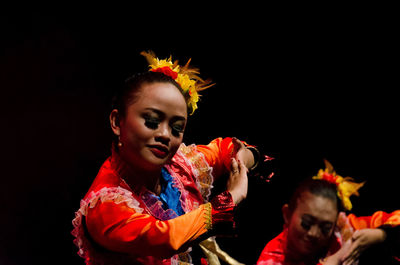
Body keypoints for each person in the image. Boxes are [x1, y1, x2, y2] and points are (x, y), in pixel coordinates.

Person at [72, 51, 260, 265]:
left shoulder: (181, 165)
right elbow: (166, 238)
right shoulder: (106, 206)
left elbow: (227, 149)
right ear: (117, 122)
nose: (164, 135)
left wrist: (243, 160)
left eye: (177, 128)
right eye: (152, 121)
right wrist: (231, 198)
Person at [257, 160, 400, 265]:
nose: (314, 233)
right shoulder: (271, 258)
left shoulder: (344, 228)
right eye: (306, 223)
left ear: (336, 221)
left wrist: (383, 234)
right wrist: (335, 260)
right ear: (287, 214)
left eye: (325, 228)